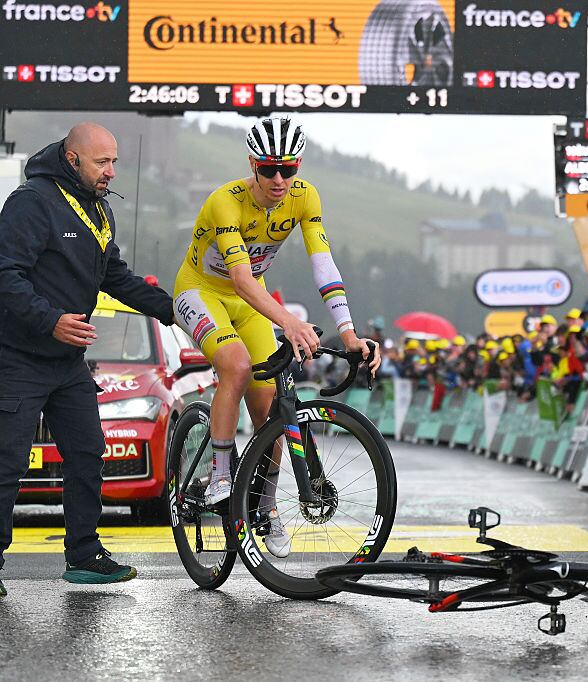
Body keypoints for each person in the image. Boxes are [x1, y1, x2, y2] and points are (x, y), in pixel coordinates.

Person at [172, 117, 380, 559]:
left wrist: (350, 333)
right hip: (202, 291)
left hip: (252, 302)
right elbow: (243, 278)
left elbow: (323, 263)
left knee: (271, 410)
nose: (280, 179)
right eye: (269, 169)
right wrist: (288, 321)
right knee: (236, 366)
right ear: (252, 165)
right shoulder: (225, 202)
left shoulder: (304, 197)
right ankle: (222, 471)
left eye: (289, 168)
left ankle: (266, 509)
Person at [0, 123, 176, 594]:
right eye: (102, 162)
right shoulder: (31, 202)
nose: (111, 172)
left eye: (114, 162)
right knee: (7, 462)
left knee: (87, 454)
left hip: (68, 363)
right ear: (73, 159)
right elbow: (5, 275)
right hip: (17, 357)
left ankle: (84, 555)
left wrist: (177, 310)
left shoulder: (99, 211)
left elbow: (115, 276)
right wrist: (51, 320)